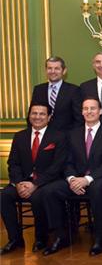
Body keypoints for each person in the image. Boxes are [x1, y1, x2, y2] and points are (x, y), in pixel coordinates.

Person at [42, 97, 102, 256]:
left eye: (93, 108)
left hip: (98, 178)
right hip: (75, 179)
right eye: (86, 108)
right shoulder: (72, 134)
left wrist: (87, 179)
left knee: (97, 190)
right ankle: (61, 236)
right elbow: (66, 160)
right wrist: (72, 179)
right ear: (82, 112)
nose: (89, 112)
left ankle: (99, 238)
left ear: (100, 111)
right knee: (49, 191)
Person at [0, 103, 67, 255]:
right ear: (29, 116)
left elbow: (57, 166)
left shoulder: (58, 136)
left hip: (46, 182)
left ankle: (41, 238)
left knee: (38, 196)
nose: (37, 117)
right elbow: (13, 163)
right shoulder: (20, 136)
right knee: (4, 195)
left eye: (42, 114)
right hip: (22, 182)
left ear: (49, 117)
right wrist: (18, 184)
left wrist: (35, 184)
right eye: (34, 113)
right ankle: (15, 239)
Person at [30, 56, 83, 131]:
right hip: (43, 137)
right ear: (46, 70)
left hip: (66, 138)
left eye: (57, 68)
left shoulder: (74, 90)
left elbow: (79, 119)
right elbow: (32, 115)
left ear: (64, 71)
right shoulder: (38, 89)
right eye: (49, 68)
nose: (53, 71)